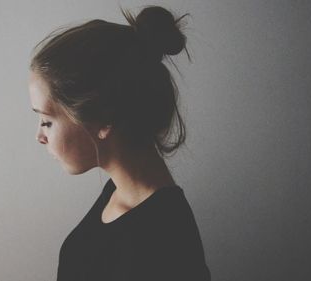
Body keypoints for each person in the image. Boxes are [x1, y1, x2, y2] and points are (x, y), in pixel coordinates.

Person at [28, 5, 211, 281]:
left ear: (103, 121)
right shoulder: (117, 191)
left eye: (46, 121)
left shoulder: (162, 242)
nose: (39, 137)